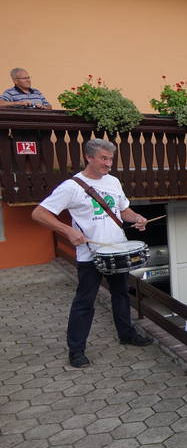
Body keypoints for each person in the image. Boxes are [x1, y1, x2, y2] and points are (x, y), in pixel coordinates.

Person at [31, 139, 152, 368]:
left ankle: (126, 334)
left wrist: (137, 218)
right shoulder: (72, 186)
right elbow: (39, 214)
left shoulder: (113, 181)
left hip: (117, 251)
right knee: (84, 302)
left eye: (111, 159)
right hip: (90, 255)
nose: (109, 164)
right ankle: (76, 351)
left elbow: (123, 210)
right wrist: (67, 230)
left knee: (121, 295)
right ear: (89, 157)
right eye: (104, 158)